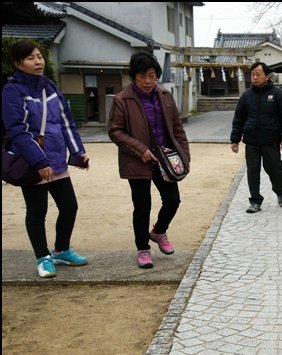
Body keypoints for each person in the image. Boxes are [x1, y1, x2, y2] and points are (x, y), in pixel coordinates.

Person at [2, 39, 89, 278]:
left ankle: (61, 249)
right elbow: (17, 130)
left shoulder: (49, 86)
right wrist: (40, 162)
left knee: (69, 206)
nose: (37, 62)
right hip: (32, 162)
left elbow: (65, 121)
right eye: (31, 58)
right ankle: (42, 258)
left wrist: (78, 152)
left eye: (39, 56)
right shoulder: (12, 90)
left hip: (56, 158)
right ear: (18, 64)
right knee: (37, 211)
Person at [108, 51, 190, 269]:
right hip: (138, 160)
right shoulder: (122, 99)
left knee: (173, 200)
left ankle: (159, 231)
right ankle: (143, 248)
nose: (147, 81)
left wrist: (184, 157)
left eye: (152, 76)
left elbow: (177, 129)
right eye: (142, 76)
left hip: (164, 159)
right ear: (134, 76)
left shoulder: (164, 95)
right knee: (142, 206)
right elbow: (115, 131)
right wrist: (140, 149)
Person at [230, 62, 282, 213]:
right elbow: (238, 119)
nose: (255, 77)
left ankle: (280, 192)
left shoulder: (277, 95)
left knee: (274, 169)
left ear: (267, 76)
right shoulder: (246, 96)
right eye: (252, 75)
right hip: (251, 141)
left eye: (258, 74)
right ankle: (255, 201)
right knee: (252, 171)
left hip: (271, 141)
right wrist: (235, 139)